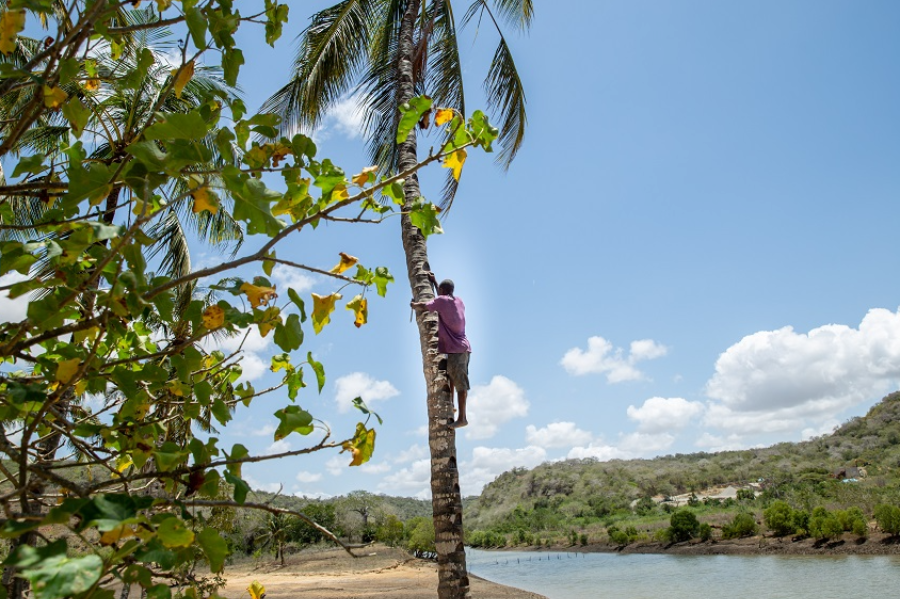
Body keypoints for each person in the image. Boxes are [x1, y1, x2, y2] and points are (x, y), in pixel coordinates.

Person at [410, 273, 471, 429]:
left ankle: (462, 418)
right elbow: (442, 300)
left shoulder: (441, 301)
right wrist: (435, 282)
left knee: (460, 384)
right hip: (461, 348)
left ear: (442, 290)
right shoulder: (458, 301)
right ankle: (452, 406)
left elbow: (428, 305)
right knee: (453, 377)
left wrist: (415, 305)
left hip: (456, 349)